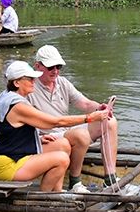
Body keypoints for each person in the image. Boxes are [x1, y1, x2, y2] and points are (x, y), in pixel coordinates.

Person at [0, 61, 107, 192]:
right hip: (9, 165)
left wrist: (36, 139)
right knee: (62, 159)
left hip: (18, 154)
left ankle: (57, 191)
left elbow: (10, 131)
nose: (34, 81)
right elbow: (55, 122)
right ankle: (44, 198)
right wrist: (90, 118)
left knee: (63, 144)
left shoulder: (9, 96)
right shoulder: (18, 106)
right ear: (16, 83)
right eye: (30, 79)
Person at [26, 45, 120, 191]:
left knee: (110, 121)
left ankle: (110, 178)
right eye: (51, 67)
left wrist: (99, 108)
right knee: (80, 134)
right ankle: (75, 182)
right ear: (38, 66)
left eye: (58, 67)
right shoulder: (29, 87)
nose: (55, 71)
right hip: (48, 136)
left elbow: (84, 103)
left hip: (65, 129)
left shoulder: (62, 82)